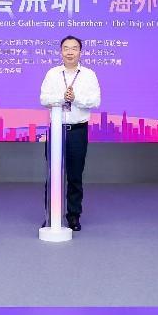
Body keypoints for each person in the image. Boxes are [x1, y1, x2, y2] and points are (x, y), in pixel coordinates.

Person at [39, 36, 102, 231]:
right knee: (53, 175)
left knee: (75, 176)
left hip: (77, 131)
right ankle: (51, 217)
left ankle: (73, 216)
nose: (70, 52)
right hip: (56, 131)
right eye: (66, 48)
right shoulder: (52, 73)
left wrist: (76, 98)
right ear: (61, 51)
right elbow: (43, 98)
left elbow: (95, 101)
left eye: (74, 48)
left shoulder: (89, 74)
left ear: (80, 52)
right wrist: (62, 97)